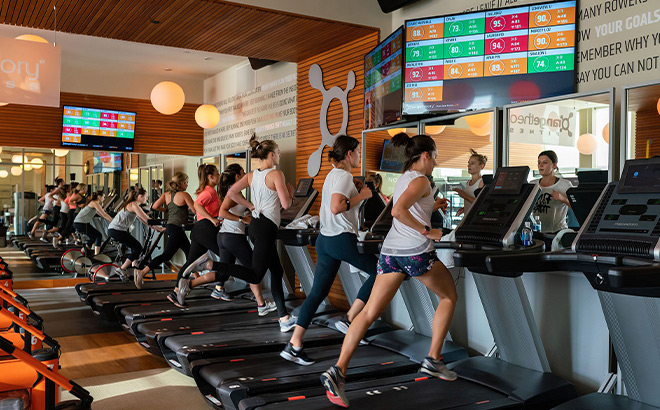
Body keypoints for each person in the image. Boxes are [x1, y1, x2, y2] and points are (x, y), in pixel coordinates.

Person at [320, 134, 459, 408]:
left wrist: (433, 207)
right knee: (449, 297)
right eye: (436, 156)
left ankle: (338, 371)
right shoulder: (421, 180)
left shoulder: (406, 177)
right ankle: (433, 358)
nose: (436, 162)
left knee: (369, 312)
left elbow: (410, 205)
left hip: (390, 254)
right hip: (416, 252)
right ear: (426, 155)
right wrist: (428, 231)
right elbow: (398, 210)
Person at [180, 135, 297, 332]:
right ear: (270, 154)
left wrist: (251, 205)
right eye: (277, 152)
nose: (279, 155)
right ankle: (210, 264)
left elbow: (232, 193)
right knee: (255, 274)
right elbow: (286, 205)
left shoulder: (252, 175)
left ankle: (284, 317)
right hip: (267, 227)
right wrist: (290, 192)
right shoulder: (277, 175)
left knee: (276, 270)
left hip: (257, 226)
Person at [280, 135, 376, 366]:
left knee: (317, 293)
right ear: (350, 154)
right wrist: (362, 196)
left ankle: (294, 344)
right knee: (382, 271)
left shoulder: (333, 175)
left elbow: (340, 202)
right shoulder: (344, 175)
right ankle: (350, 319)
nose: (360, 156)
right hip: (340, 240)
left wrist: (356, 193)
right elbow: (336, 207)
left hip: (325, 240)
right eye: (358, 152)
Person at [176, 164, 277, 316]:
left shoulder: (230, 192)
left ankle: (190, 284)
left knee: (223, 273)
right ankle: (261, 304)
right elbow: (223, 212)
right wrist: (242, 219)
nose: (245, 176)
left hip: (224, 237)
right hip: (233, 236)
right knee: (253, 273)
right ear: (237, 176)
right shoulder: (233, 193)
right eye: (243, 173)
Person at [167, 164, 232, 306]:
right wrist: (211, 218)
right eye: (217, 173)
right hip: (206, 230)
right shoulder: (210, 192)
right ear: (210, 177)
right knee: (227, 258)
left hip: (199, 231)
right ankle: (217, 284)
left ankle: (176, 291)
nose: (219, 175)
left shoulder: (210, 191)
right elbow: (197, 206)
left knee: (190, 262)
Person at [134, 172, 195, 289]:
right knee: (167, 255)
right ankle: (142, 272)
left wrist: (167, 210)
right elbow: (194, 210)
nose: (187, 185)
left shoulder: (167, 195)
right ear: (181, 183)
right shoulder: (184, 195)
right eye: (186, 183)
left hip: (171, 227)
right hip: (177, 228)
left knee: (190, 253)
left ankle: (197, 278)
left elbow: (154, 206)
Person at [108, 188, 163, 279]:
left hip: (116, 230)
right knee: (138, 248)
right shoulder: (133, 205)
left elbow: (144, 220)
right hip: (116, 230)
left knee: (136, 248)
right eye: (146, 197)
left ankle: (134, 269)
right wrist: (159, 226)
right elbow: (147, 219)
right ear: (140, 196)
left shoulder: (134, 205)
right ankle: (122, 269)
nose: (147, 199)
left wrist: (156, 228)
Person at [531, 150, 573, 233]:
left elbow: (576, 207)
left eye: (545, 162)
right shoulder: (532, 184)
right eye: (539, 163)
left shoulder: (565, 184)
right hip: (536, 231)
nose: (541, 165)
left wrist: (563, 199)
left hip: (557, 232)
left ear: (554, 165)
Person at [73, 191, 113, 255]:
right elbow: (104, 215)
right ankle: (97, 255)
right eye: (103, 197)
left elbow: (101, 214)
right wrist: (113, 221)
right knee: (98, 236)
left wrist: (110, 219)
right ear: (99, 197)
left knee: (93, 237)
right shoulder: (94, 203)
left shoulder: (93, 203)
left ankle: (83, 251)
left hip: (80, 223)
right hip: (81, 223)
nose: (104, 198)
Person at [454, 149, 487, 217]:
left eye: (472, 163)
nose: (469, 165)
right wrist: (464, 209)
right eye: (469, 163)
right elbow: (471, 202)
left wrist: (464, 195)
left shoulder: (481, 182)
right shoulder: (468, 182)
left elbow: (480, 203)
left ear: (481, 166)